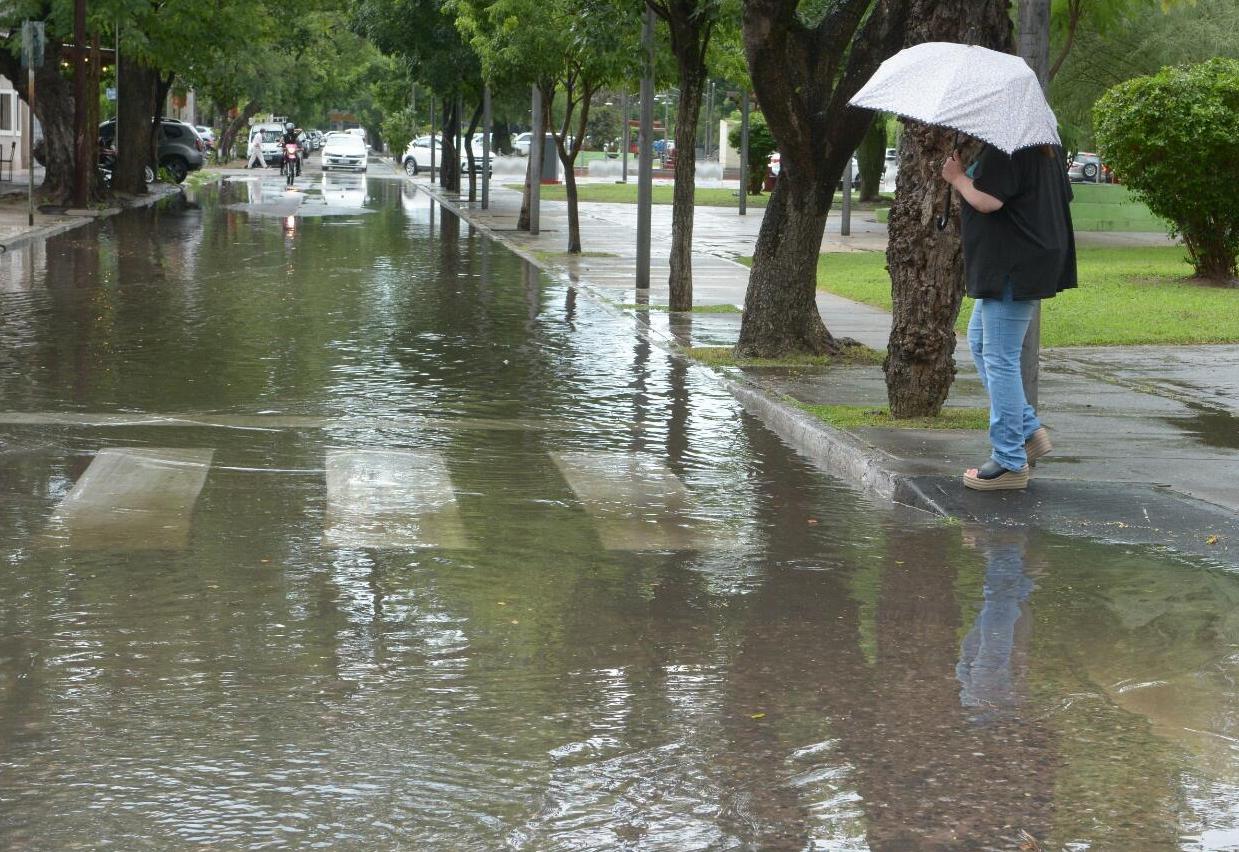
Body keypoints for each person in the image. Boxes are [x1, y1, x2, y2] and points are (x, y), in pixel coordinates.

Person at [942, 142, 1076, 492]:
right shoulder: (1043, 147)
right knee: (981, 341)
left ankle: (1009, 461)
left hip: (1011, 265)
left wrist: (957, 178)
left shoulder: (1008, 149)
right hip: (1021, 261)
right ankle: (1028, 431)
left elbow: (989, 200)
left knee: (1000, 357)